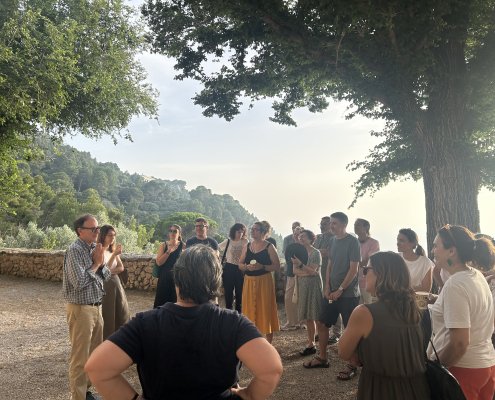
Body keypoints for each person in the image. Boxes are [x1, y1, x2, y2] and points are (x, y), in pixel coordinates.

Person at [85, 245, 283, 400]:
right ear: (216, 281)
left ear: (177, 279)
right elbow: (271, 369)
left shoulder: (145, 323)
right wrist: (248, 395)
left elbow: (97, 368)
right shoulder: (233, 323)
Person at [338, 252, 430, 399]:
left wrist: (360, 353)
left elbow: (343, 352)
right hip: (418, 389)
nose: (363, 275)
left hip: (381, 389)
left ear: (380, 274)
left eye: (366, 270)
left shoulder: (364, 313)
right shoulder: (418, 310)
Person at [429, 224, 495, 400]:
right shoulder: (476, 275)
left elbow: (459, 343)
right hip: (485, 364)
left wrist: (437, 368)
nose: (433, 250)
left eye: (436, 246)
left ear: (451, 251)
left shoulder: (455, 284)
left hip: (463, 370)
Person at [304, 211, 360, 381]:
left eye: (334, 223)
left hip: (348, 294)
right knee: (322, 322)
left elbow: (354, 269)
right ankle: (322, 358)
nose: (331, 226)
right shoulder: (333, 241)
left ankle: (352, 365)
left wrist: (341, 289)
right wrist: (327, 286)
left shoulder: (353, 241)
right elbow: (330, 264)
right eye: (331, 223)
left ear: (344, 224)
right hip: (331, 291)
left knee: (350, 329)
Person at [62, 214, 111, 400]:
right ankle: (78, 397)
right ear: (80, 231)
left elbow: (107, 275)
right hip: (81, 310)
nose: (98, 231)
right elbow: (79, 282)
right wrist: (96, 264)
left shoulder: (94, 248)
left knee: (94, 355)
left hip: (97, 308)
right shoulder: (74, 251)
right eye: (93, 229)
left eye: (98, 228)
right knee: (79, 358)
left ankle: (86, 392)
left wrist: (100, 264)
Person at [239, 221, 281, 343]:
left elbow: (277, 266)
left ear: (263, 232)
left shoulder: (269, 247)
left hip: (264, 282)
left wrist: (262, 266)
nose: (252, 231)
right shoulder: (247, 246)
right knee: (249, 309)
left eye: (256, 229)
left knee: (265, 310)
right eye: (252, 229)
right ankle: (251, 340)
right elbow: (240, 264)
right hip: (249, 282)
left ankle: (268, 344)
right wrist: (246, 267)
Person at [292, 229, 323, 356]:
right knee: (308, 317)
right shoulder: (297, 253)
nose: (300, 238)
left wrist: (301, 265)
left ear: (311, 239)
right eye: (300, 236)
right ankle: (311, 344)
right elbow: (295, 271)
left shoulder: (316, 253)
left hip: (314, 287)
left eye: (303, 236)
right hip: (303, 287)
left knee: (317, 316)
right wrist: (307, 272)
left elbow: (313, 271)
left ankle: (322, 344)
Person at [98, 225, 130, 340]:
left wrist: (109, 272)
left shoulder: (112, 250)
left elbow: (121, 267)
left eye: (114, 235)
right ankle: (108, 339)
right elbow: (103, 271)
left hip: (116, 284)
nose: (112, 238)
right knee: (108, 313)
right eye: (110, 235)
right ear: (103, 236)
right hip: (106, 286)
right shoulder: (99, 251)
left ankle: (120, 337)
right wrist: (114, 256)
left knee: (122, 310)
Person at [314, 216, 340, 343]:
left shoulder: (335, 238)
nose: (321, 226)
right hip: (318, 275)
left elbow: (329, 253)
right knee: (321, 304)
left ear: (331, 225)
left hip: (330, 275)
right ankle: (323, 331)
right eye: (321, 223)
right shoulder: (319, 238)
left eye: (324, 223)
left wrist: (315, 251)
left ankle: (336, 333)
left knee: (333, 303)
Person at [153, 224, 185, 308]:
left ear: (179, 234)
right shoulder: (163, 245)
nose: (172, 233)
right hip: (164, 278)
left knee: (175, 303)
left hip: (177, 279)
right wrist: (168, 251)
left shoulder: (183, 246)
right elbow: (159, 263)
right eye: (171, 231)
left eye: (175, 231)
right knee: (161, 302)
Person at [219, 223, 248, 313]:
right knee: (228, 293)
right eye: (238, 232)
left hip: (240, 269)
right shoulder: (228, 241)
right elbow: (217, 248)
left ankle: (238, 314)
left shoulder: (245, 242)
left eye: (242, 232)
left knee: (240, 293)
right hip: (229, 268)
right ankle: (229, 313)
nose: (240, 234)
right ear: (234, 231)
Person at [397, 228, 434, 292]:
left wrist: (402, 288)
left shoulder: (425, 262)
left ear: (412, 243)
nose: (398, 243)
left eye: (401, 241)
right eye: (397, 240)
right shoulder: (395, 259)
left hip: (416, 298)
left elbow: (426, 289)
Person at [282, 221, 302, 330]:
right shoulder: (289, 243)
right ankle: (291, 321)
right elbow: (287, 256)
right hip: (291, 272)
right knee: (288, 297)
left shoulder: (305, 245)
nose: (296, 236)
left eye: (298, 234)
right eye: (295, 233)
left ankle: (300, 322)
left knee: (300, 298)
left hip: (303, 273)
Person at [354, 218, 380, 304]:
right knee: (357, 307)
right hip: (353, 282)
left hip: (367, 282)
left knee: (369, 306)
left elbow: (369, 262)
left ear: (366, 227)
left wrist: (352, 264)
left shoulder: (374, 243)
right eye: (355, 225)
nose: (355, 227)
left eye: (358, 225)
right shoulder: (353, 242)